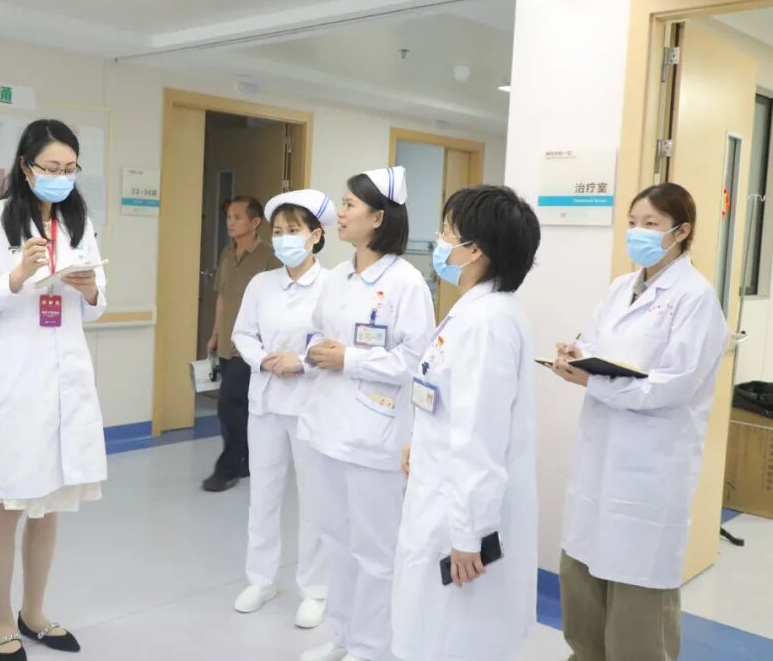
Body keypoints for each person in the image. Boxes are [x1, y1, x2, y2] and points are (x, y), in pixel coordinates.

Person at [550, 182, 728, 661]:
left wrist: (595, 382)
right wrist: (577, 354)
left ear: (681, 231)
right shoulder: (619, 289)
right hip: (599, 460)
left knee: (637, 613)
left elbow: (673, 386)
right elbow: (597, 345)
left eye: (651, 224)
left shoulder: (696, 298)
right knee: (582, 592)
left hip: (649, 467)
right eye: (633, 223)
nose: (638, 233)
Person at [0, 119, 106, 659]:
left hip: (68, 380)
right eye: (51, 167)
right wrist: (16, 276)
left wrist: (90, 290)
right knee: (9, 504)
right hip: (18, 385)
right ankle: (1, 620)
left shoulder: (77, 220)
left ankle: (34, 612)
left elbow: (98, 302)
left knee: (50, 505)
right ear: (26, 166)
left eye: (70, 168)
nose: (62, 177)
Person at [391, 185, 541, 661]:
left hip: (459, 516)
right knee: (435, 629)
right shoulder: (475, 310)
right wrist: (420, 440)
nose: (439, 241)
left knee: (453, 637)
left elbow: (480, 437)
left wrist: (468, 535)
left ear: (474, 250)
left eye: (446, 233)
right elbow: (450, 402)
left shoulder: (486, 322)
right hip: (441, 491)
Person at [299, 167, 435, 661]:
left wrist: (351, 359)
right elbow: (317, 331)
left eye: (350, 205)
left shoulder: (406, 283)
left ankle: (372, 648)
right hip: (327, 428)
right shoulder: (338, 276)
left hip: (375, 438)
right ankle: (342, 637)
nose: (340, 213)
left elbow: (416, 361)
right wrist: (318, 350)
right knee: (336, 540)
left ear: (378, 218)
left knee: (374, 551)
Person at [231, 189, 335, 630]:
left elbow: (334, 341)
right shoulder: (261, 284)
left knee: (315, 499)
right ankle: (261, 580)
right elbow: (242, 333)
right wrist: (264, 360)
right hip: (267, 401)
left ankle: (316, 588)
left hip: (312, 404)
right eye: (277, 231)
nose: (284, 238)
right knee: (264, 494)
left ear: (315, 236)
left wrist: (302, 362)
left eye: (293, 230)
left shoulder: (333, 285)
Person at [202, 195, 282, 492]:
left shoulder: (269, 257)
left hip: (251, 347)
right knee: (239, 406)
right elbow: (222, 297)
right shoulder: (227, 253)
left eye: (238, 217)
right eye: (229, 217)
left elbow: (277, 303)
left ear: (255, 222)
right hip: (227, 342)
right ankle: (247, 460)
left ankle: (228, 468)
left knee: (229, 404)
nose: (231, 222)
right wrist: (215, 334)